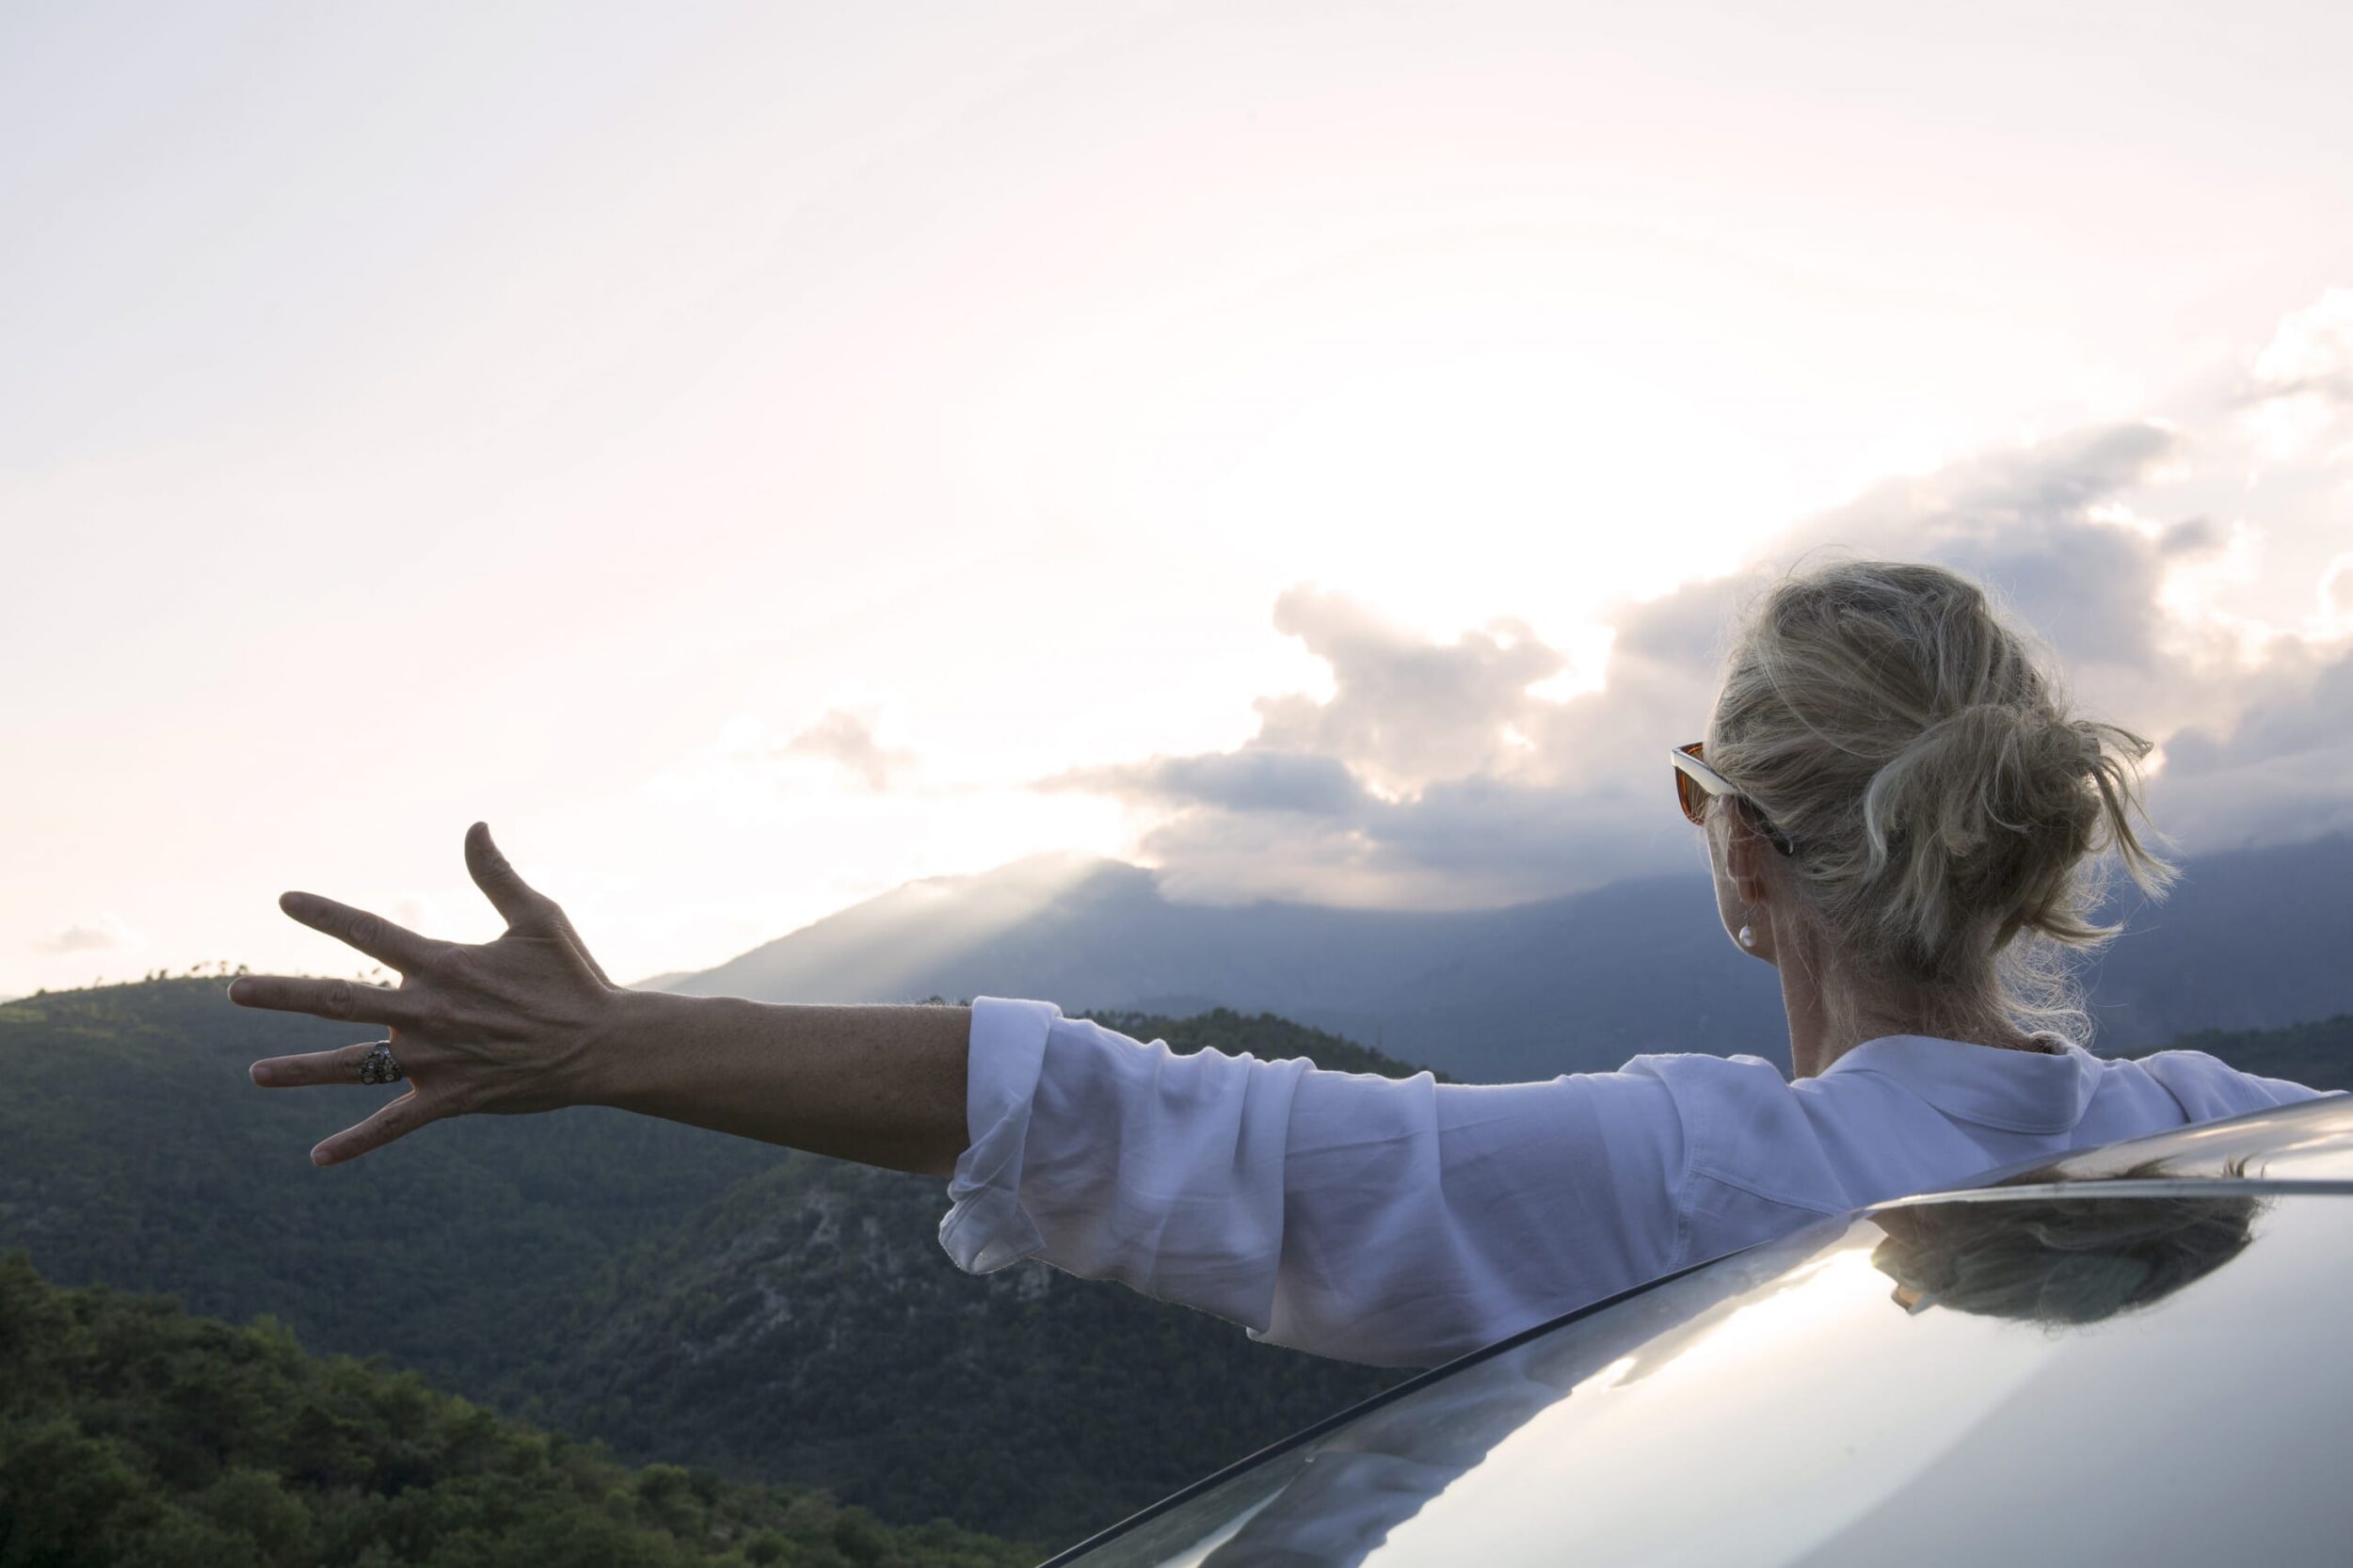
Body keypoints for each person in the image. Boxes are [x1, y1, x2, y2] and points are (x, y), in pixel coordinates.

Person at [231, 559, 2327, 1369]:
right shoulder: (2252, 1136)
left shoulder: (1696, 1181)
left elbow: (1121, 1117)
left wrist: (607, 1043)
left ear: (1733, 849)